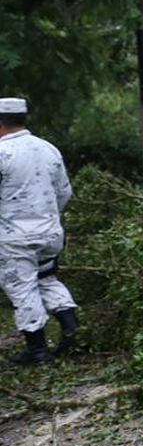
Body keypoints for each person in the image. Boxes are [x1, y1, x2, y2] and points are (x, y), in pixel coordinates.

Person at [0, 97, 79, 365]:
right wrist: (48, 217)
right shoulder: (48, 149)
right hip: (50, 233)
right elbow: (65, 192)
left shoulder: (2, 153)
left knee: (23, 288)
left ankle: (37, 351)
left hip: (14, 238)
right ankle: (72, 329)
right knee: (46, 280)